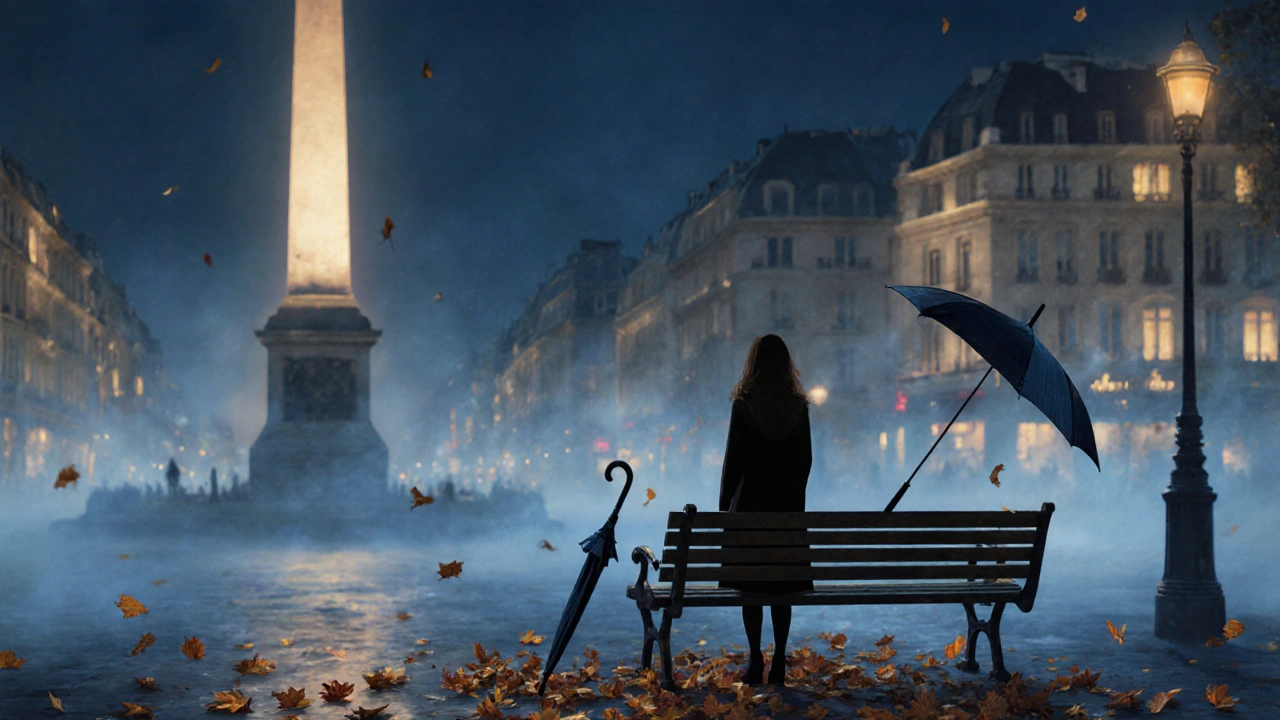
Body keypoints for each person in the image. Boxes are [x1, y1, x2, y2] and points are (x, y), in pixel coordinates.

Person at [717, 333, 812, 686]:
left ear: (753, 364)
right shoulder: (798, 407)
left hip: (750, 510)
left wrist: (726, 504)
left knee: (751, 587)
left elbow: (733, 462)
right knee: (781, 589)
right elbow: (806, 462)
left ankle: (756, 657)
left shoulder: (744, 405)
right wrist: (793, 502)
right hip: (786, 511)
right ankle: (780, 660)